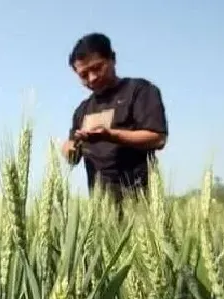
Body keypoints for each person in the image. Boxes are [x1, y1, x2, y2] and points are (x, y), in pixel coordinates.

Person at [61, 32, 169, 219]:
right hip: (102, 206)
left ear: (113, 59)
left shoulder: (139, 90)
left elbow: (157, 138)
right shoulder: (82, 109)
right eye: (84, 75)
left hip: (141, 200)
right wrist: (67, 148)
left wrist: (110, 135)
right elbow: (73, 153)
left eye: (97, 68)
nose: (92, 78)